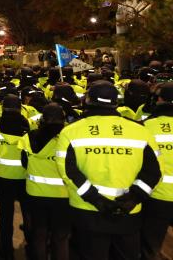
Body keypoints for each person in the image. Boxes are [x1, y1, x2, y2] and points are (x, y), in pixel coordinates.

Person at [55, 81, 161, 260]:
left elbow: (69, 172)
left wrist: (96, 200)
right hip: (129, 213)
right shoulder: (140, 131)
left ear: (88, 101)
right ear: (116, 102)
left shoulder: (70, 132)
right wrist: (132, 198)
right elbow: (154, 172)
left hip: (87, 212)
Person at [18, 103, 70, 260]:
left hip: (36, 193)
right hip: (63, 195)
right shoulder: (69, 137)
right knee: (60, 238)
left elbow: (24, 162)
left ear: (43, 119)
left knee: (39, 234)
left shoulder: (30, 136)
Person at [0, 94, 30, 260]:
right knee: (27, 211)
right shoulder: (27, 124)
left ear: (3, 107)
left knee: (6, 212)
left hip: (3, 175)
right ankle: (31, 244)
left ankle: (5, 248)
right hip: (24, 175)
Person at [141, 82, 173, 259]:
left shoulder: (145, 127)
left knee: (151, 247)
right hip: (156, 195)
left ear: (159, 99)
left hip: (156, 195)